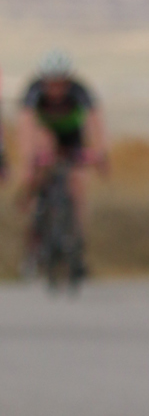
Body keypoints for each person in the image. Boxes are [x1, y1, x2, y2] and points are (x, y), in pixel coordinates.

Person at [16, 50, 108, 272]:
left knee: (77, 184)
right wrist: (29, 162)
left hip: (72, 137)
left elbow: (95, 122)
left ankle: (76, 242)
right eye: (51, 83)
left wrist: (101, 154)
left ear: (68, 80)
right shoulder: (34, 91)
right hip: (44, 134)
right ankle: (34, 243)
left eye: (60, 83)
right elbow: (26, 126)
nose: (55, 89)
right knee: (41, 156)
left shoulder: (79, 91)